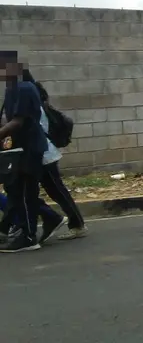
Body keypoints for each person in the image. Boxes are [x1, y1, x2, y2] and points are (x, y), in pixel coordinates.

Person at [0, 58, 63, 253]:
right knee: (17, 192)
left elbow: (18, 121)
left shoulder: (24, 88)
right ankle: (24, 231)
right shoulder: (13, 88)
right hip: (20, 148)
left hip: (29, 148)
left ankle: (28, 237)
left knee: (26, 193)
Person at [33, 78, 88, 240]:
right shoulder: (40, 107)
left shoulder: (37, 109)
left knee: (58, 192)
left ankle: (77, 224)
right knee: (54, 191)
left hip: (46, 156)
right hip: (44, 155)